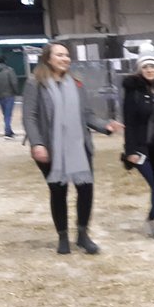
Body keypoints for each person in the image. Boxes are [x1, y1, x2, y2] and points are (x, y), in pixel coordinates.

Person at [22, 42, 122, 255]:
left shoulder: (76, 84)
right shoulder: (35, 83)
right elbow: (29, 116)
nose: (65, 59)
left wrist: (106, 125)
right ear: (48, 58)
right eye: (60, 55)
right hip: (51, 147)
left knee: (86, 190)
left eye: (67, 55)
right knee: (58, 191)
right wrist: (37, 143)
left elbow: (87, 115)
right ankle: (63, 236)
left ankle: (83, 235)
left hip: (79, 145)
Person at [121, 50, 154, 238]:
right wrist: (130, 150)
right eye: (145, 66)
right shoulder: (133, 90)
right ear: (139, 69)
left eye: (152, 66)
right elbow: (130, 121)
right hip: (142, 148)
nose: (149, 70)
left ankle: (153, 218)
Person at [0, 54, 20, 138]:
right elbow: (14, 82)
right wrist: (16, 91)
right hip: (9, 94)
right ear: (5, 61)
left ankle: (9, 129)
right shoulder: (9, 70)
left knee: (5, 113)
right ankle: (7, 131)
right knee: (8, 114)